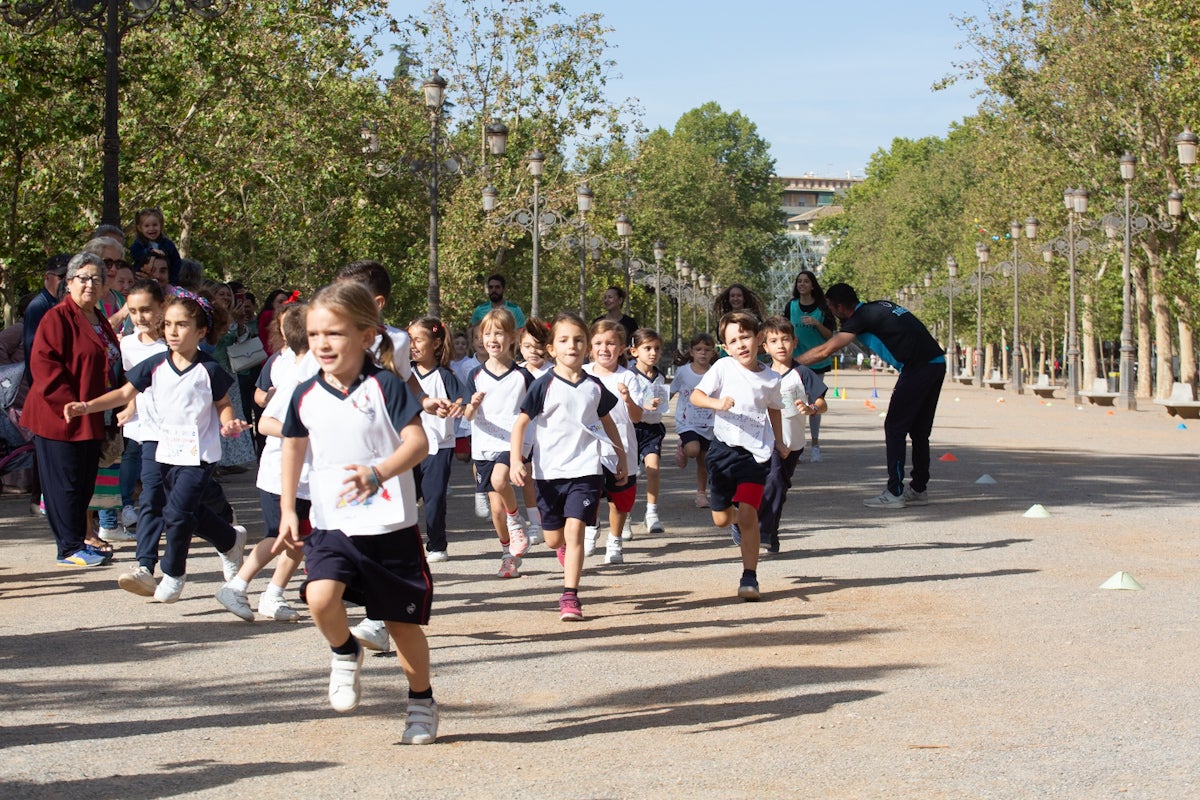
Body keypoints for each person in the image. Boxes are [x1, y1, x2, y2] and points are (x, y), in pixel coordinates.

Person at [272, 281, 438, 744]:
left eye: (335, 334)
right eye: (315, 334)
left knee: (401, 625)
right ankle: (345, 652)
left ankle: (421, 700)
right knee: (319, 597)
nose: (322, 344)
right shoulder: (306, 393)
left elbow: (418, 443)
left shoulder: (384, 385)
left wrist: (378, 473)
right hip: (332, 523)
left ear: (366, 336)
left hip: (390, 527)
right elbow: (293, 445)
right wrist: (288, 508)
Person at [66, 290, 250, 600]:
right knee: (181, 512)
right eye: (168, 325)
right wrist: (87, 406)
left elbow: (223, 403)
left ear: (201, 331)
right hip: (165, 451)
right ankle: (229, 539)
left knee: (177, 513)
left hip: (199, 456)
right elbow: (124, 394)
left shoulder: (209, 369)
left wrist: (228, 422)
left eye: (182, 325)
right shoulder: (154, 364)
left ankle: (173, 574)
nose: (173, 332)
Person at [510, 311, 625, 621]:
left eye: (577, 340)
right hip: (549, 473)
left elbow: (608, 422)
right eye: (563, 340)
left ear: (586, 346)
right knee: (554, 539)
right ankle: (561, 549)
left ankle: (570, 596)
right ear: (552, 349)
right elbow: (521, 424)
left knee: (575, 532)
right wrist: (515, 461)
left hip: (587, 471)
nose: (571, 346)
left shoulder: (594, 386)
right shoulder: (543, 384)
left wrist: (621, 459)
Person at [797, 283, 945, 508]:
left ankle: (894, 492)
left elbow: (825, 350)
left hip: (917, 368)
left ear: (839, 307)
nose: (831, 313)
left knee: (894, 428)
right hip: (936, 363)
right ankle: (918, 489)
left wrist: (790, 364)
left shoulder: (860, 317)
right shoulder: (879, 306)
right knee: (919, 430)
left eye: (830, 307)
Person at [23, 253, 119, 566]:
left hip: (91, 415)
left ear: (105, 286)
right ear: (69, 282)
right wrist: (69, 404)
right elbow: (44, 365)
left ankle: (79, 540)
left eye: (97, 279)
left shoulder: (98, 318)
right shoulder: (57, 317)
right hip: (60, 417)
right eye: (83, 278)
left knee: (83, 483)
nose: (90, 284)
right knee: (64, 484)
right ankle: (68, 547)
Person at [216, 303, 310, 622]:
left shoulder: (321, 371)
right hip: (279, 472)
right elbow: (265, 422)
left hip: (309, 476)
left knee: (299, 539)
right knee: (279, 536)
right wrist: (299, 432)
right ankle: (237, 586)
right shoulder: (301, 374)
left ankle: (272, 596)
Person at [690, 311, 785, 601]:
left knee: (749, 515)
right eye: (733, 340)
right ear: (726, 347)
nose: (740, 344)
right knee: (721, 519)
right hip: (722, 451)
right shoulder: (723, 368)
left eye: (745, 336)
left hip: (755, 455)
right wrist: (717, 402)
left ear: (758, 339)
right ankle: (731, 519)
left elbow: (774, 409)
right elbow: (696, 396)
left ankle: (750, 577)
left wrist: (779, 441)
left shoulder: (770, 378)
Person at [463, 308, 533, 578]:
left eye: (499, 333)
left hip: (512, 445)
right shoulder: (474, 376)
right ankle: (508, 555)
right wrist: (472, 405)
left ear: (513, 337)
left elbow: (534, 412)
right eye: (487, 333)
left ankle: (516, 520)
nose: (493, 339)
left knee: (499, 480)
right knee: (495, 509)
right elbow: (467, 415)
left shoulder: (523, 377)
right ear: (480, 338)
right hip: (483, 445)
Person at [760, 317, 828, 554]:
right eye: (774, 340)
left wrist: (813, 409)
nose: (781, 345)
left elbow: (821, 402)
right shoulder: (761, 373)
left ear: (795, 342)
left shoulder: (803, 373)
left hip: (794, 442)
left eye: (785, 339)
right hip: (765, 441)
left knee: (780, 487)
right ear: (765, 346)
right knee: (773, 481)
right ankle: (761, 530)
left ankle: (771, 531)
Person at [583, 320, 643, 563]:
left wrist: (628, 399)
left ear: (621, 349)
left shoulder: (628, 377)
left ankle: (615, 541)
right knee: (589, 492)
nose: (604, 348)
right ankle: (591, 527)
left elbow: (638, 418)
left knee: (620, 500)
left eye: (610, 343)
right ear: (590, 347)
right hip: (589, 448)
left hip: (622, 449)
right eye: (598, 343)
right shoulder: (583, 374)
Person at [408, 316, 465, 563]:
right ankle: (406, 546)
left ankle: (437, 545)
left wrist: (454, 407)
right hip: (406, 447)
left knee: (434, 498)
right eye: (409, 340)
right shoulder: (403, 373)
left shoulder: (445, 375)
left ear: (436, 344)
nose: (412, 345)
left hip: (439, 446)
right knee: (406, 498)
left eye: (418, 340)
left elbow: (463, 398)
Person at [115, 280, 167, 534]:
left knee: (182, 482)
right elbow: (131, 379)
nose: (139, 317)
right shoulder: (128, 344)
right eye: (133, 311)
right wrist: (129, 406)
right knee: (147, 479)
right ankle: (145, 546)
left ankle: (217, 518)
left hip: (178, 425)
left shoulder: (175, 342)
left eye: (146, 310)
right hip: (144, 421)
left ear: (162, 306)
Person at [782, 269, 834, 462]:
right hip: (795, 362)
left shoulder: (822, 308)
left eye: (806, 282)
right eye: (799, 282)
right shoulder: (791, 306)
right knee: (794, 403)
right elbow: (783, 330)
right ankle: (796, 445)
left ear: (813, 285)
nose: (802, 284)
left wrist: (816, 324)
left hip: (818, 362)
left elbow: (831, 336)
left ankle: (815, 444)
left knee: (814, 404)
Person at [669, 332, 717, 508]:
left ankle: (701, 494)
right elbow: (672, 390)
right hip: (687, 421)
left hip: (708, 422)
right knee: (693, 451)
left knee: (704, 461)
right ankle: (683, 445)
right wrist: (656, 407)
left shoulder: (715, 372)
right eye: (698, 349)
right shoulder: (683, 372)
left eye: (707, 350)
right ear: (691, 352)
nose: (702, 353)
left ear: (713, 352)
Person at [516, 317, 552, 545]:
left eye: (539, 346)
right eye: (528, 346)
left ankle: (551, 519)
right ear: (519, 346)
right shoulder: (516, 372)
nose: (534, 351)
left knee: (547, 481)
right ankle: (535, 523)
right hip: (527, 436)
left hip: (551, 436)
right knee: (528, 477)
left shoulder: (555, 372)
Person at [628, 328, 668, 534]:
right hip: (632, 429)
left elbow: (662, 402)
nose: (653, 353)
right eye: (647, 348)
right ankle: (624, 517)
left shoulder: (660, 376)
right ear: (634, 352)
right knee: (629, 475)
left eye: (657, 349)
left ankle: (651, 512)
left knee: (653, 468)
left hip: (652, 430)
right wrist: (644, 404)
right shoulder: (628, 375)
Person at [128, 207, 182, 284]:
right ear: (140, 228)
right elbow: (135, 254)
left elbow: (176, 262)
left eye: (155, 225)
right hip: (142, 280)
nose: (151, 228)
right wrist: (150, 251)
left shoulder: (168, 244)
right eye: (147, 226)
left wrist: (172, 280)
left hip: (164, 281)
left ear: (161, 225)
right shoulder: (138, 244)